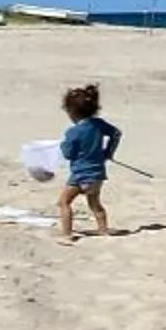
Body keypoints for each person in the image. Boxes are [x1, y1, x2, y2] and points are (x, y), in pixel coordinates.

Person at [56, 82, 122, 242]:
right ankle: (103, 229)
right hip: (98, 174)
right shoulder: (98, 124)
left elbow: (68, 154)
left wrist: (63, 145)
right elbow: (116, 133)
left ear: (72, 112)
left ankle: (67, 234)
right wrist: (109, 152)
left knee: (64, 202)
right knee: (94, 203)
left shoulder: (74, 132)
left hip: (81, 175)